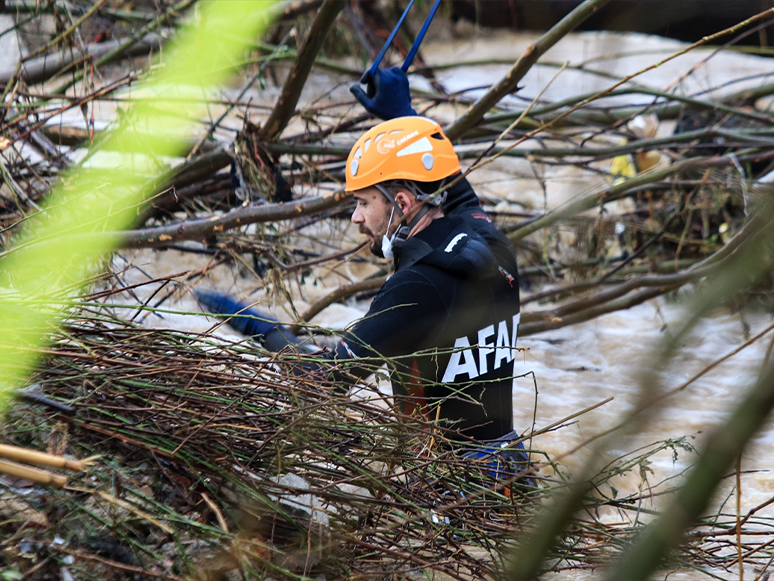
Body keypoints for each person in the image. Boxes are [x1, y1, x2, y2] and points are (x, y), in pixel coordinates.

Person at [199, 114, 530, 481]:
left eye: (362, 202)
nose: (355, 218)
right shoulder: (491, 241)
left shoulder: (416, 287)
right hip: (511, 472)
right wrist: (402, 114)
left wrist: (260, 326)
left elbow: (321, 382)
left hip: (453, 487)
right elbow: (453, 184)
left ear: (403, 202)